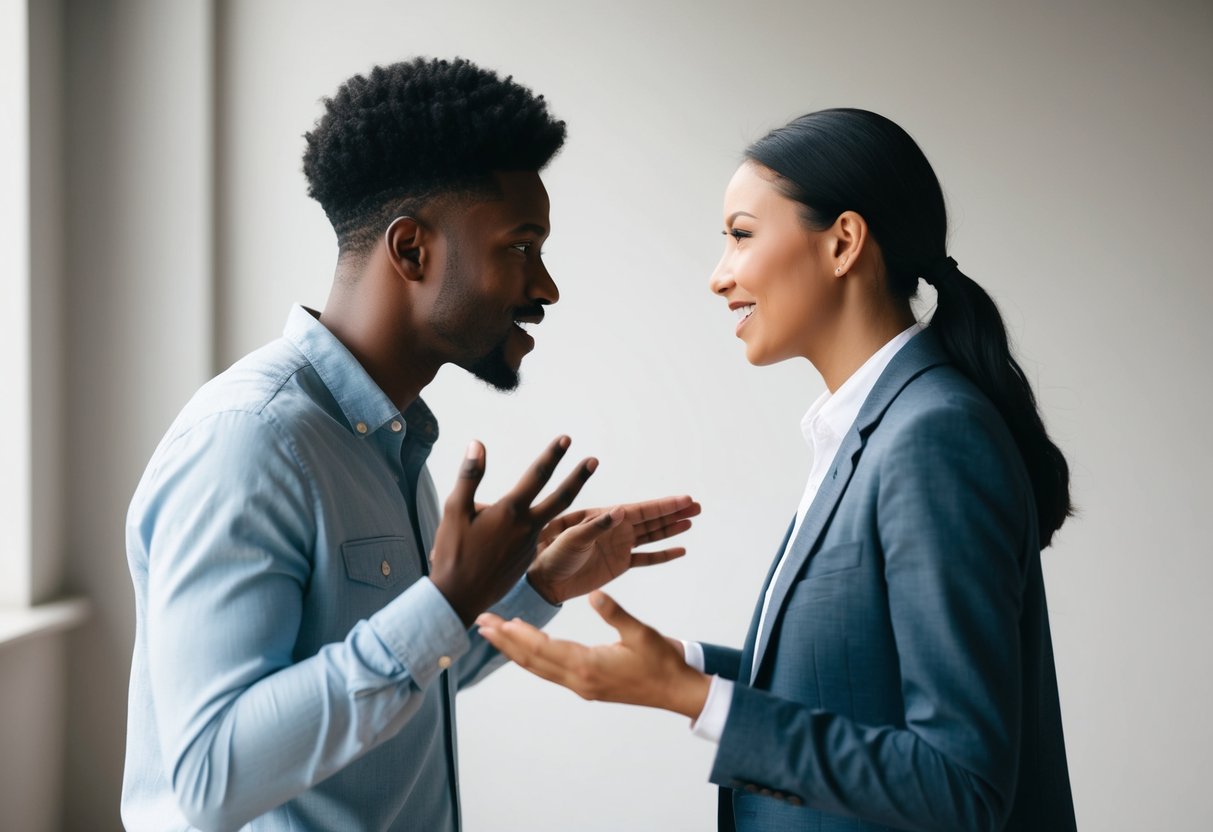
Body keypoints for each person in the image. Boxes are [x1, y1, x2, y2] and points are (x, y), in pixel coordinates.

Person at [120, 57, 699, 832]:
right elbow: (210, 775)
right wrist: (446, 597)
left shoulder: (389, 443)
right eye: (521, 247)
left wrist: (531, 586)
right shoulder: (251, 443)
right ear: (412, 251)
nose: (547, 287)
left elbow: (402, 678)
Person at [479, 108, 1077, 831]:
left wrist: (696, 701)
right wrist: (684, 667)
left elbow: (961, 786)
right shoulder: (871, 426)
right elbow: (855, 686)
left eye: (739, 236)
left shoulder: (931, 435)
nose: (717, 276)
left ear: (843, 243)